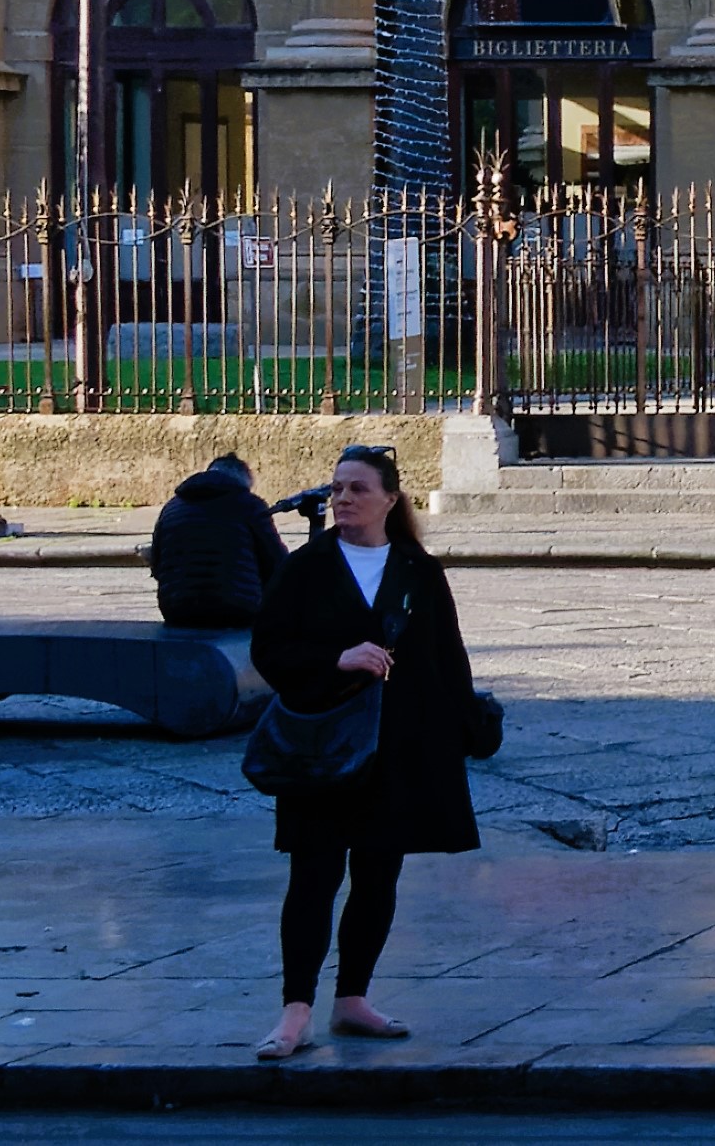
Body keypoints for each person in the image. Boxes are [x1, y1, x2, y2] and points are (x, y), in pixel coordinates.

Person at [253, 445, 477, 1061]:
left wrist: (469, 727)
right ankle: (295, 1010)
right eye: (337, 489)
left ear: (389, 498)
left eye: (356, 488)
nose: (343, 499)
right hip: (323, 749)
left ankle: (352, 999)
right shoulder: (306, 567)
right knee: (314, 876)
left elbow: (446, 657)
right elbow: (269, 651)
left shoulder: (418, 570)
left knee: (378, 876)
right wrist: (335, 659)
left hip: (398, 747)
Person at [153, 451, 291, 633]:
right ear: (243, 482)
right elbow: (276, 561)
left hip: (177, 610)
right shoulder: (249, 504)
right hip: (237, 609)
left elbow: (156, 564)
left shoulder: (171, 507)